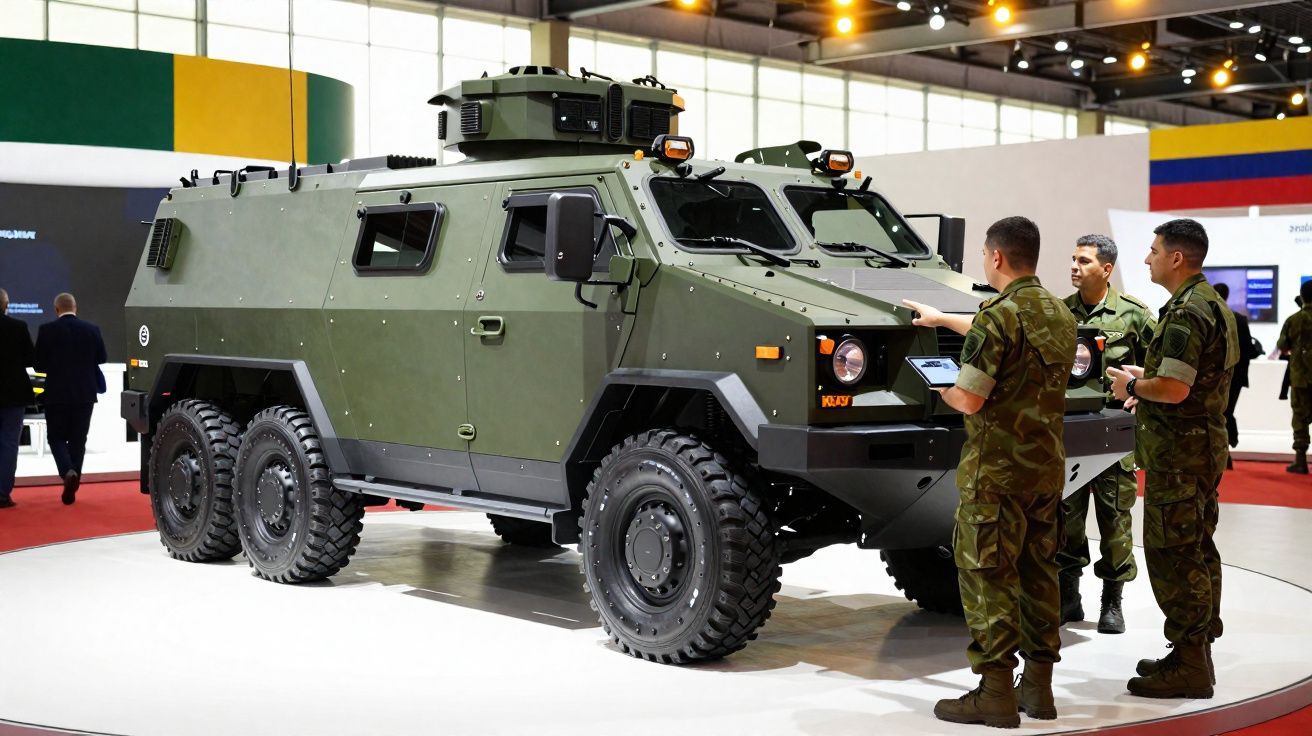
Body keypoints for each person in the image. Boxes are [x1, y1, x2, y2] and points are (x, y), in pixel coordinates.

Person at [903, 216, 1075, 728]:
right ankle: (1038, 690)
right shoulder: (1059, 313)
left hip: (996, 473)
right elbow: (1000, 331)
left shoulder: (1000, 317)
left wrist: (941, 387)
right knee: (1039, 573)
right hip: (1045, 469)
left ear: (995, 257)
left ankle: (995, 693)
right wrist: (943, 318)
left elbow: (972, 398)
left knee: (988, 576)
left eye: (984, 254)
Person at [1107, 218, 1237, 699]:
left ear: (1177, 257)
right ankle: (1195, 651)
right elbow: (1193, 380)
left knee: (1174, 554)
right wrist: (1153, 376)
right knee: (1198, 549)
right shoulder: (1211, 305)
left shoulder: (1185, 312)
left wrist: (1134, 385)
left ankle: (1189, 664)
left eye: (1154, 250)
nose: (1147, 258)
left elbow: (1177, 388)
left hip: (1179, 455)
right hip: (1199, 449)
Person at [1059, 235, 1155, 635]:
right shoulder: (1062, 312)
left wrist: (1141, 395)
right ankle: (1068, 596)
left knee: (1115, 518)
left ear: (1107, 269)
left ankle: (1112, 602)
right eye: (1074, 258)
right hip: (1072, 432)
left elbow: (1161, 366)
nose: (1075, 266)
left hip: (1115, 435)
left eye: (1084, 260)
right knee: (1066, 517)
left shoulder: (1134, 315)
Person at [32, 292, 107, 505]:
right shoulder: (92, 329)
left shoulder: (47, 330)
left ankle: (67, 473)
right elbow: (102, 357)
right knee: (78, 440)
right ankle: (74, 478)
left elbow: (38, 365)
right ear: (76, 308)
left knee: (55, 437)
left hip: (56, 395)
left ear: (57, 309)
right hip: (85, 394)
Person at [1212, 282, 1255, 464]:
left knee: (1215, 414)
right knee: (1227, 412)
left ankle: (1219, 454)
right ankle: (1226, 452)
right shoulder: (1239, 319)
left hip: (1212, 377)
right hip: (1235, 377)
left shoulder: (1209, 318)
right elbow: (1248, 351)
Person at [0, 288, 36, 509]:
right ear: (6, 305)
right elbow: (30, 359)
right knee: (9, 444)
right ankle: (2, 494)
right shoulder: (18, 327)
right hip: (13, 395)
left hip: (12, 396)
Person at [1277, 281, 1312, 474]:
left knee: (1300, 418)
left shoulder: (1294, 320)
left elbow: (1282, 345)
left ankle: (1301, 461)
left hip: (1300, 377)